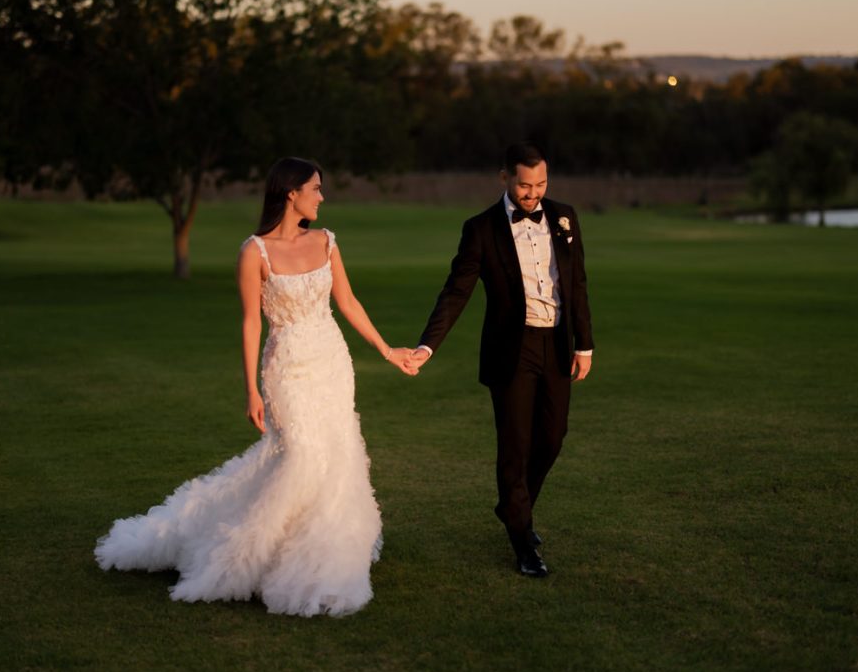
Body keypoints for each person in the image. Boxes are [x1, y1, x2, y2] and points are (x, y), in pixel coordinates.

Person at [96, 157, 415, 616]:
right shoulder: (254, 252)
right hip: (286, 369)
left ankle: (324, 556)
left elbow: (347, 300)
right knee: (301, 457)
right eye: (316, 189)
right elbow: (250, 324)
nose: (322, 197)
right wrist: (251, 390)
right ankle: (242, 555)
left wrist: (387, 350)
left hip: (332, 363)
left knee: (336, 456)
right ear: (292, 193)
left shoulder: (327, 241)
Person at [407, 144, 593, 577]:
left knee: (552, 437)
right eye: (525, 185)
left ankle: (513, 506)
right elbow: (457, 291)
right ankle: (522, 540)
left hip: (557, 344)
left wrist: (584, 345)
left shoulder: (565, 216)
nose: (533, 194)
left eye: (541, 184)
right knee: (515, 444)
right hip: (512, 349)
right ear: (505, 178)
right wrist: (426, 346)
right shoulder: (480, 229)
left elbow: (577, 282)